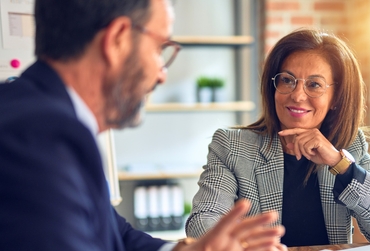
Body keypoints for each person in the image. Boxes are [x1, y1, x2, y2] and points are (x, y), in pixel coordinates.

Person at [0, 0, 287, 251]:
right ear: (118, 39)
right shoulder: (40, 134)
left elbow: (114, 234)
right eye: (159, 48)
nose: (162, 75)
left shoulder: (40, 115)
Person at [185, 29, 370, 247]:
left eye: (314, 84)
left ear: (336, 98)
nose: (298, 95)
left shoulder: (350, 145)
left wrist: (339, 164)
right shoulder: (231, 146)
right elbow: (202, 224)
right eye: (287, 80)